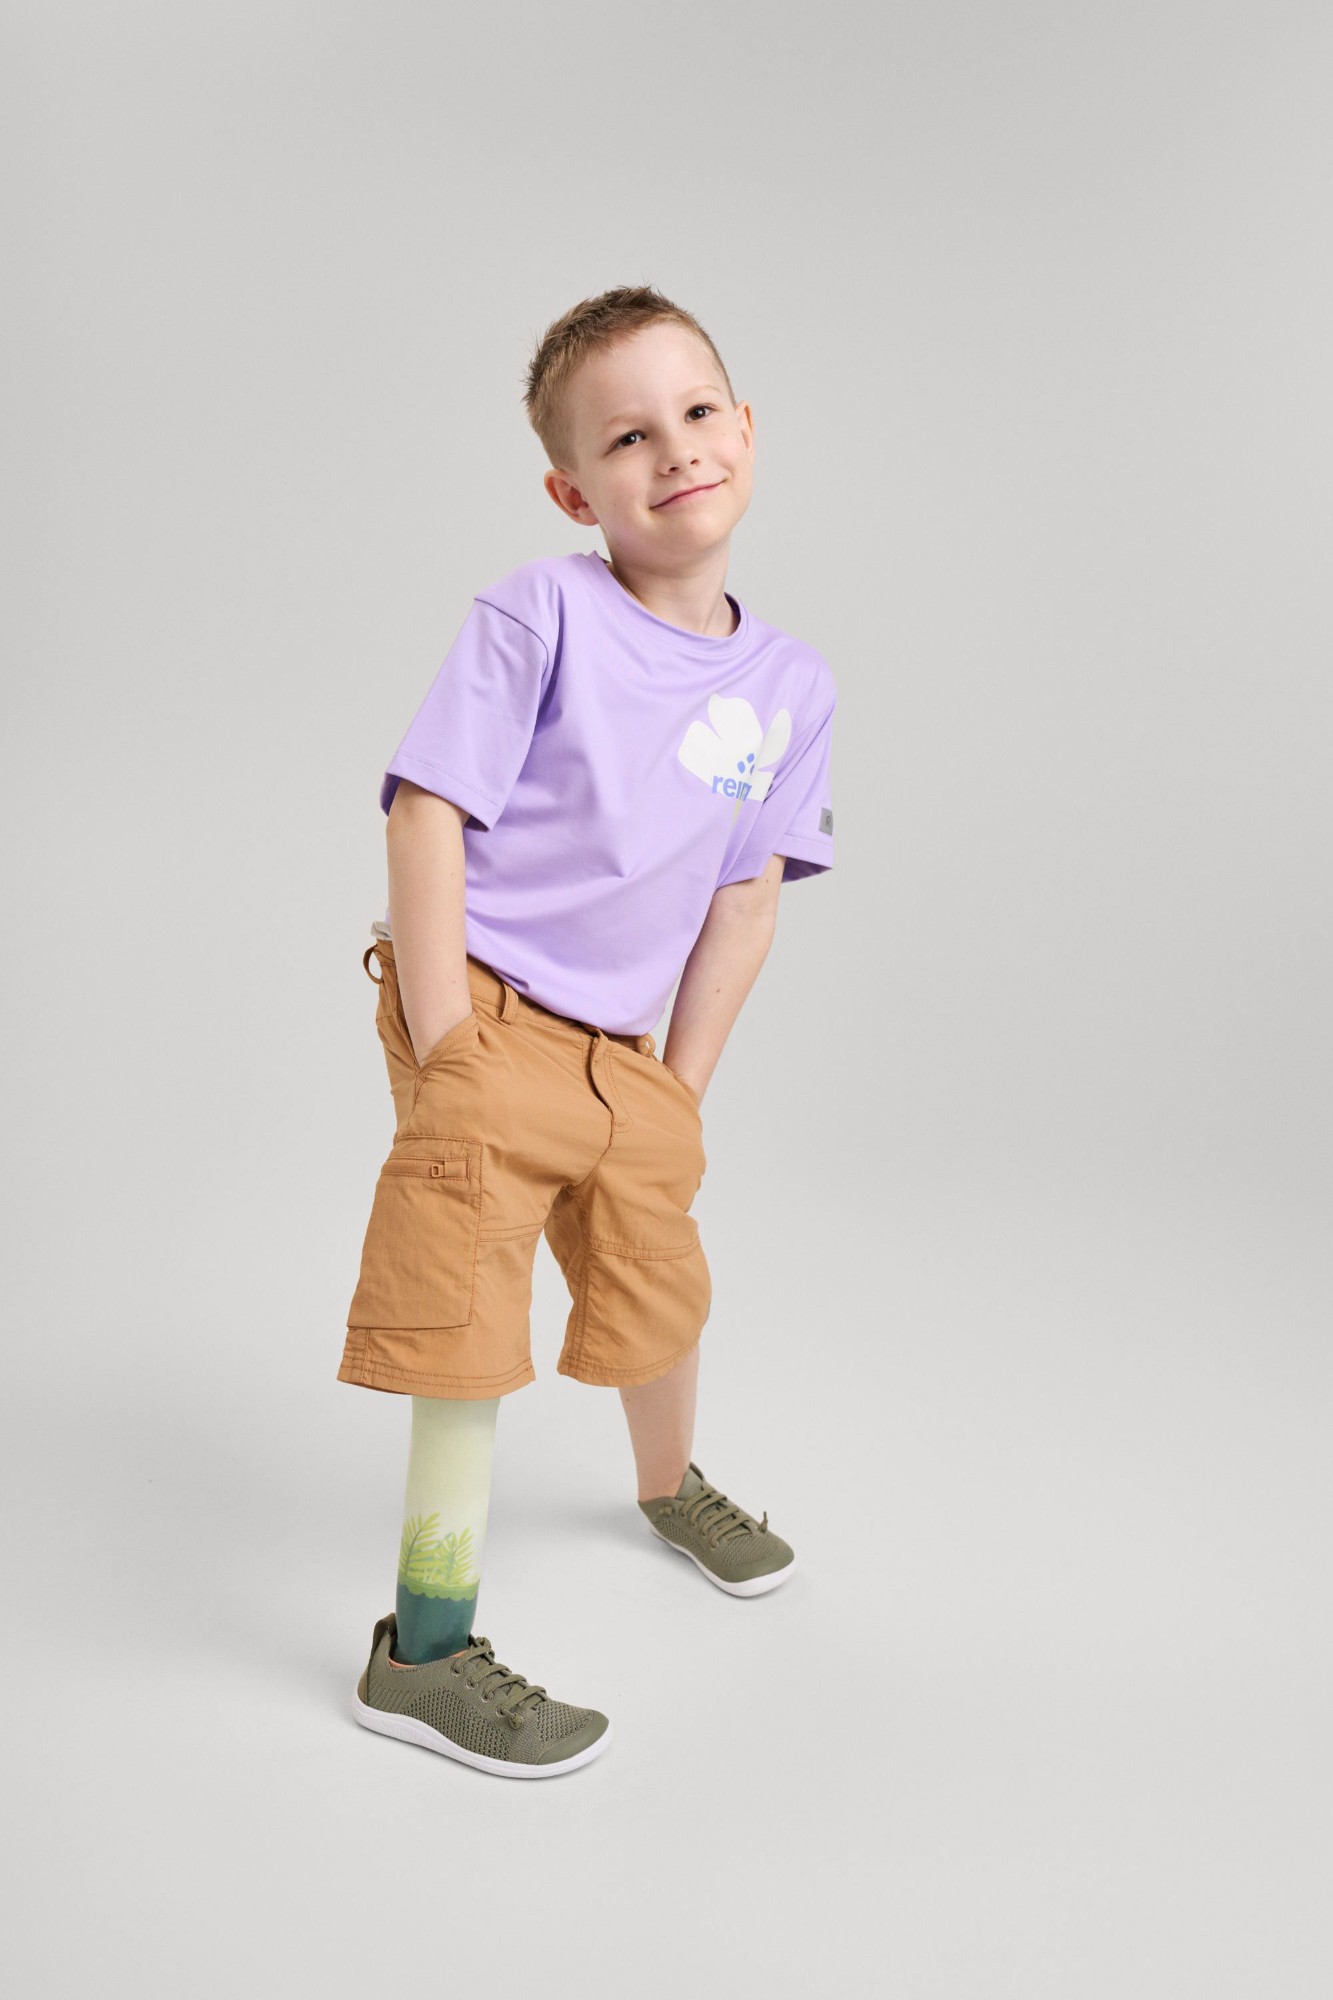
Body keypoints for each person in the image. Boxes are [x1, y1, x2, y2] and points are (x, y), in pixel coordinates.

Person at [340, 285, 837, 1778]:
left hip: (627, 1055)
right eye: (626, 437)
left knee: (655, 1271)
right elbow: (429, 810)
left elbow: (745, 898)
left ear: (744, 431)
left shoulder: (791, 685)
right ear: (574, 491)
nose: (672, 449)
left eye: (696, 413)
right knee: (467, 1303)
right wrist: (447, 1046)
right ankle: (423, 1651)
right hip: (488, 1006)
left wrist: (678, 1088)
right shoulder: (543, 611)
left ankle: (667, 1485)